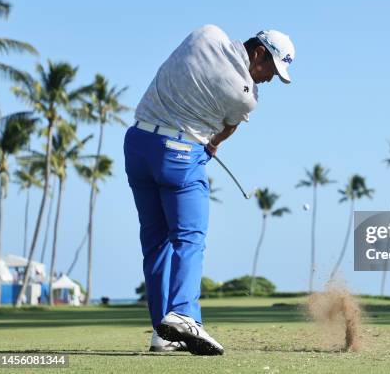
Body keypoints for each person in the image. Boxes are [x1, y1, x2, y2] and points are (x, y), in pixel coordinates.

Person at [123, 25, 295, 355]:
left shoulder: (206, 33)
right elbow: (227, 127)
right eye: (271, 69)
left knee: (156, 242)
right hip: (178, 155)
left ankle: (164, 333)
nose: (269, 78)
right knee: (189, 238)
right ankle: (185, 315)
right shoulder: (246, 94)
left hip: (137, 145)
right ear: (257, 53)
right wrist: (212, 143)